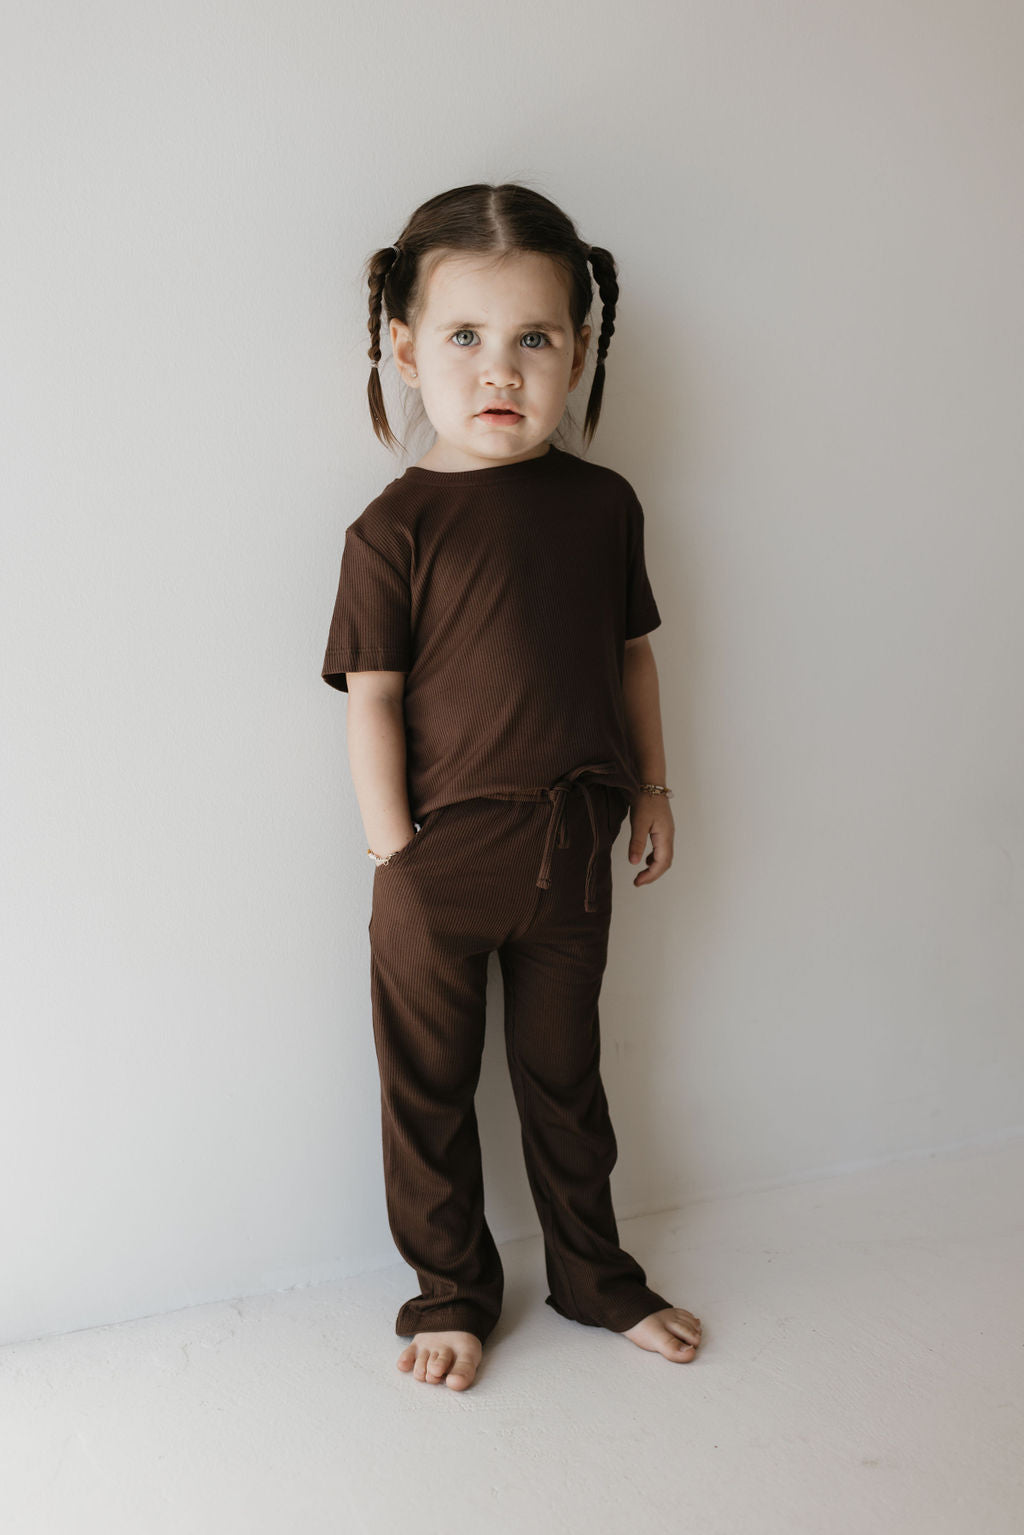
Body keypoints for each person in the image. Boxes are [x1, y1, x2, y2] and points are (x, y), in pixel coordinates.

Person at [321, 182, 702, 1391]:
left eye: (535, 338)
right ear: (403, 347)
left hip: (571, 850)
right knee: (426, 1096)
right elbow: (373, 696)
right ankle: (448, 1292)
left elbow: (629, 656)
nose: (501, 370)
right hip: (438, 863)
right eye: (465, 338)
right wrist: (397, 854)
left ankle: (594, 1275)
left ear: (579, 351)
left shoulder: (602, 506)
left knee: (564, 1078)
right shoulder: (395, 527)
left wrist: (654, 786)